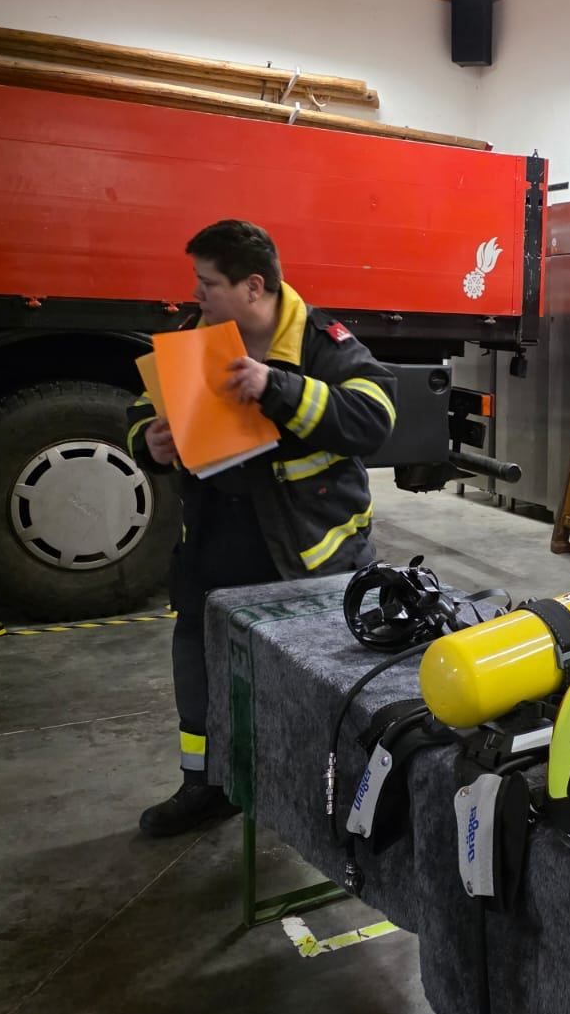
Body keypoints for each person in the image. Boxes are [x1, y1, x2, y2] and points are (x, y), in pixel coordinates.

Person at [127, 219, 397, 837]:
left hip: (308, 558)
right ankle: (207, 788)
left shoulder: (322, 342)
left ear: (254, 286)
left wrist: (275, 386)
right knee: (199, 679)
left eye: (208, 283)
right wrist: (150, 441)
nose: (196, 295)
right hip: (213, 550)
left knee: (313, 691)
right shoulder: (194, 342)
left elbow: (376, 415)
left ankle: (324, 799)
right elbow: (143, 409)